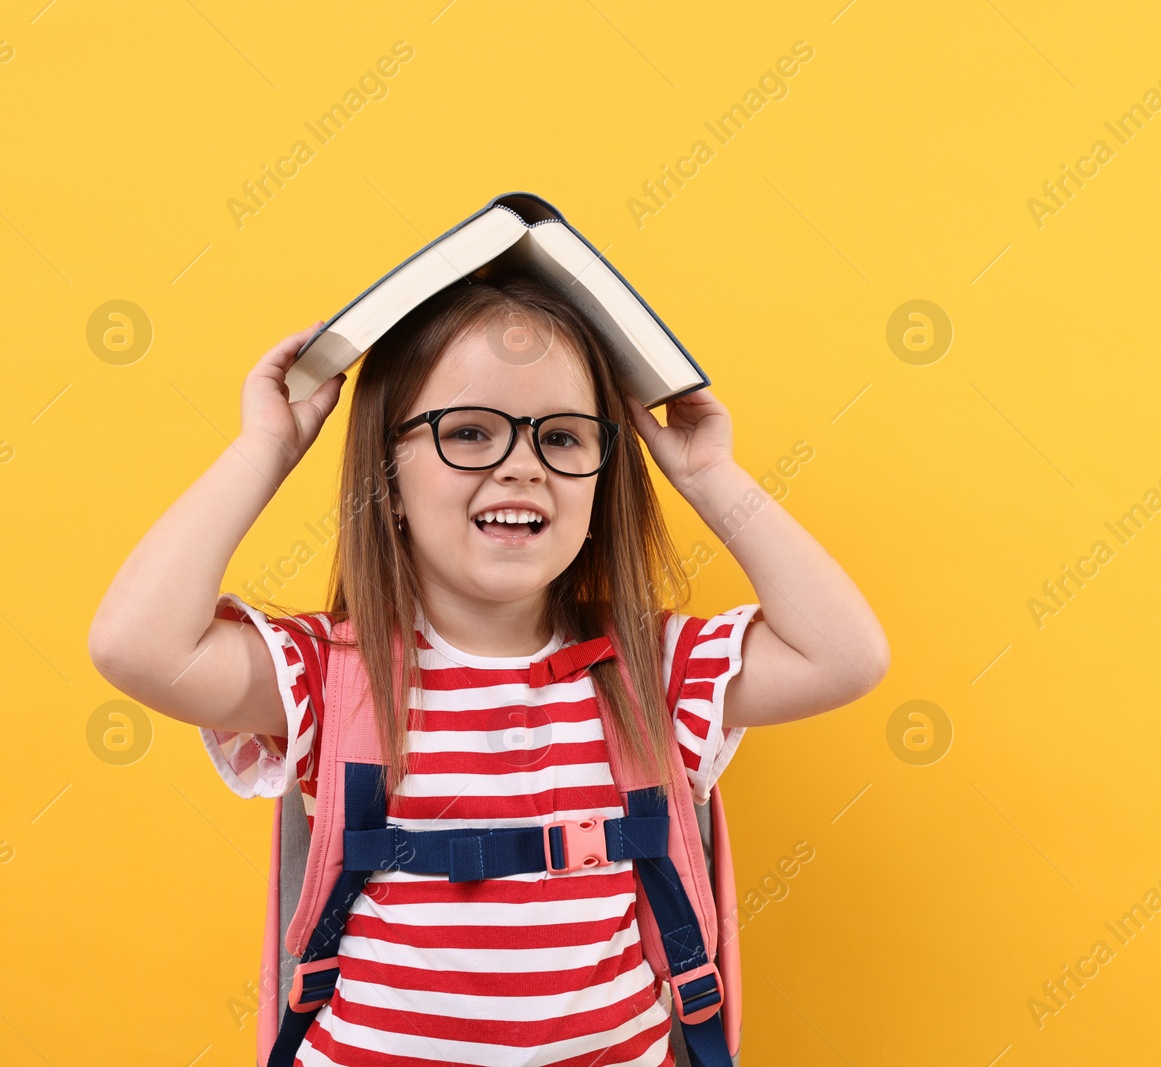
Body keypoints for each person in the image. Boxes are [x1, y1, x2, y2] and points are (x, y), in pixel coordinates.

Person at [87, 272, 889, 1066]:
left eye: (564, 436)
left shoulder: (653, 671)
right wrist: (266, 448)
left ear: (602, 477)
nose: (521, 465)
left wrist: (710, 475)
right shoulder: (331, 675)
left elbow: (846, 657)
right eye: (469, 431)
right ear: (387, 479)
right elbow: (137, 644)